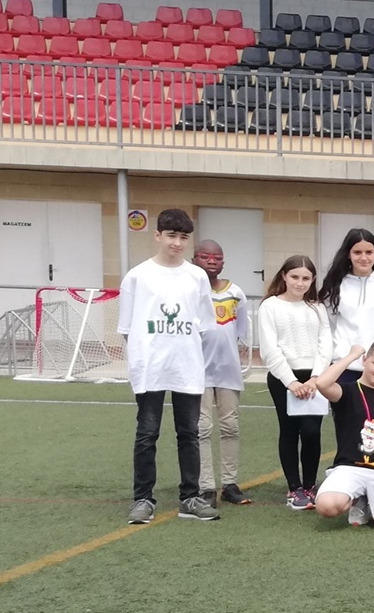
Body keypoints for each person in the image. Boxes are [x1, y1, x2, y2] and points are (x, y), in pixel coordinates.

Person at [118, 208, 219, 524]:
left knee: (189, 433)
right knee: (147, 434)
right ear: (158, 235)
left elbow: (205, 325)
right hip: (150, 369)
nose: (177, 243)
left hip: (186, 367)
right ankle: (143, 499)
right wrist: (143, 359)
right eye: (171, 235)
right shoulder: (137, 276)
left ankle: (190, 497)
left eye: (183, 237)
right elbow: (127, 328)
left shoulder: (197, 277)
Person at [310, 339, 374, 531]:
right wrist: (352, 355)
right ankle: (357, 499)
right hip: (350, 469)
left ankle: (371, 501)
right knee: (326, 506)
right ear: (365, 360)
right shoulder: (347, 391)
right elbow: (322, 383)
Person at [256, 255, 328, 510]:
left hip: (315, 378)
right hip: (283, 378)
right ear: (284, 276)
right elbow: (270, 349)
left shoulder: (317, 308)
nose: (300, 283)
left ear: (313, 280)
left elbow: (325, 343)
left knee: (311, 432)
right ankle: (294, 487)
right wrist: (291, 381)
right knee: (289, 431)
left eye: (306, 278)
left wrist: (317, 377)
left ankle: (310, 485)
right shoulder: (270, 306)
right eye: (295, 277)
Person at [191, 239, 248, 507]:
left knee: (230, 427)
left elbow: (240, 333)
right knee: (202, 428)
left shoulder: (236, 292)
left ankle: (229, 483)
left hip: (228, 372)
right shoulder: (188, 292)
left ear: (224, 262)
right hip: (196, 372)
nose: (211, 261)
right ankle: (205, 486)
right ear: (194, 259)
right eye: (205, 257)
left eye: (217, 257)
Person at [320, 228, 374, 392]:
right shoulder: (335, 285)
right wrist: (338, 356)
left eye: (369, 252)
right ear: (348, 254)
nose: (364, 258)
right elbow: (329, 327)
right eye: (357, 252)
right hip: (345, 368)